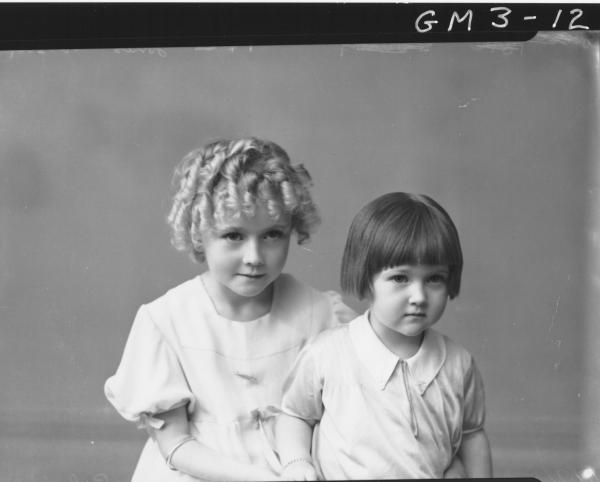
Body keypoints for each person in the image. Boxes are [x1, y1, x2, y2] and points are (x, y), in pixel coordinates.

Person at [104, 138, 356, 481]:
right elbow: (176, 446)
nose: (254, 257)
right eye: (234, 236)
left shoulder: (318, 313)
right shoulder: (166, 320)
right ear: (198, 233)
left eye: (272, 235)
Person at [276, 192, 493, 480]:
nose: (419, 296)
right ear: (366, 279)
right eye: (400, 278)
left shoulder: (458, 364)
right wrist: (296, 462)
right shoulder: (328, 354)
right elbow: (295, 415)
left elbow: (471, 435)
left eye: (434, 279)